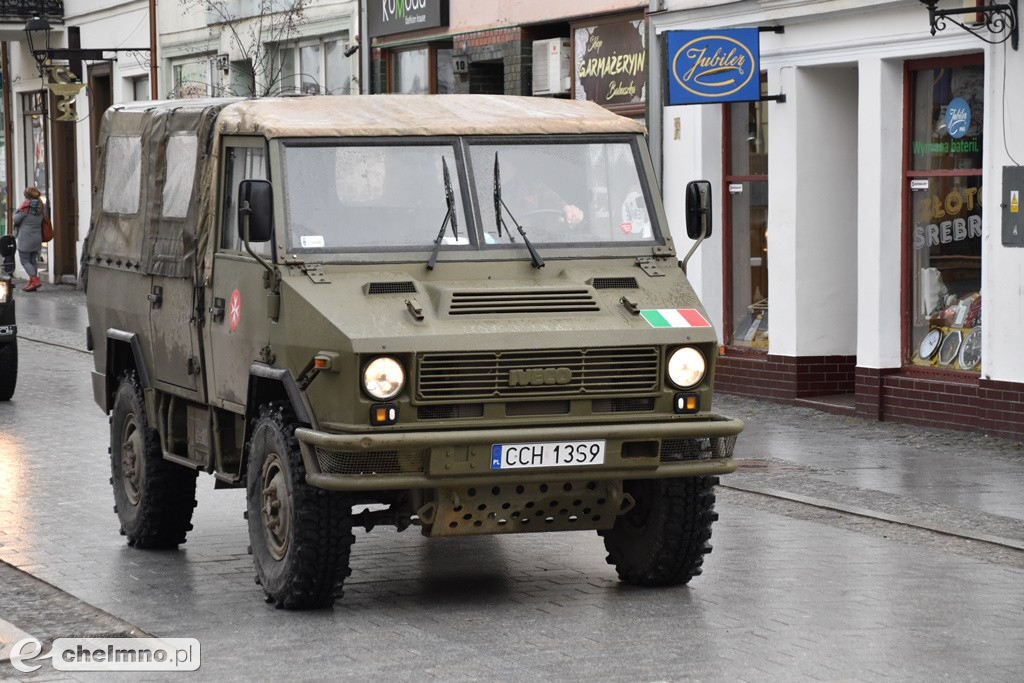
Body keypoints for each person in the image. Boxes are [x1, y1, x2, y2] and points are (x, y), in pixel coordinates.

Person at [13, 187, 47, 292]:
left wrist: (16, 211)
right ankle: (33, 284)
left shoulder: (26, 207)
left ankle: (35, 279)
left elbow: (15, 219)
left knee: (24, 260)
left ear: (27, 196)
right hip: (37, 238)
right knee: (32, 260)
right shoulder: (41, 206)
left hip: (26, 238)